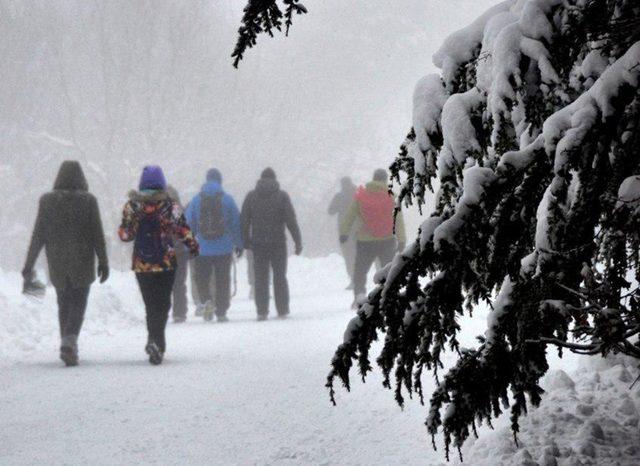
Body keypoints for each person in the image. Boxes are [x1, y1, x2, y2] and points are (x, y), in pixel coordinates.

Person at [22, 160, 109, 366]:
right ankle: (69, 342)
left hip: (58, 261)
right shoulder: (88, 201)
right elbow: (97, 234)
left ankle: (67, 343)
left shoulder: (47, 201)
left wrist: (29, 264)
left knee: (63, 303)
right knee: (79, 302)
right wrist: (103, 261)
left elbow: (38, 235)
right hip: (82, 260)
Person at [118, 166, 198, 365]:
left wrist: (126, 227)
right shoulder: (170, 206)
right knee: (163, 304)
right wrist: (193, 246)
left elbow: (126, 236)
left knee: (150, 305)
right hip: (166, 263)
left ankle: (153, 340)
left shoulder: (132, 206)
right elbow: (183, 230)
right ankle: (156, 343)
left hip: (142, 265)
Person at [241, 168, 302, 320]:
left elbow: (244, 220)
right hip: (278, 243)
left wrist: (245, 240)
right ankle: (282, 309)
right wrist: (297, 241)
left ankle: (262, 311)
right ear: (275, 180)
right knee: (280, 277)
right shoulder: (282, 196)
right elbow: (291, 220)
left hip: (258, 243)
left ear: (260, 180)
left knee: (260, 278)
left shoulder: (251, 196)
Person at [340, 168, 406, 308]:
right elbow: (398, 219)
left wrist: (344, 233)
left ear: (373, 179)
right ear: (384, 180)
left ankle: (359, 296)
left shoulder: (361, 196)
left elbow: (349, 216)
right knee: (388, 270)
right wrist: (402, 239)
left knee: (360, 270)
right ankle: (389, 296)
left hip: (365, 241)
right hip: (387, 240)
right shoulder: (391, 195)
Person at [185, 169, 243, 322]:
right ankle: (222, 311)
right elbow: (236, 223)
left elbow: (189, 223)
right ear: (220, 181)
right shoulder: (227, 199)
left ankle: (206, 301)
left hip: (202, 248)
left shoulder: (196, 200)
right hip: (223, 247)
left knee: (202, 278)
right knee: (223, 279)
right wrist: (239, 244)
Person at [328, 176, 357, 289]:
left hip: (344, 231)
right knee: (357, 255)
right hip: (358, 230)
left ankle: (353, 279)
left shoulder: (339, 196)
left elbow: (330, 211)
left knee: (348, 256)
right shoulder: (358, 194)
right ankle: (358, 278)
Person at [166, 185, 189, 323]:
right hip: (179, 251)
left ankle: (161, 311)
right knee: (179, 283)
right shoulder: (177, 209)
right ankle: (179, 313)